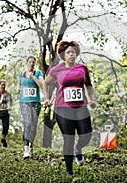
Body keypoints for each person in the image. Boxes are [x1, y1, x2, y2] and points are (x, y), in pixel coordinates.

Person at [43, 41, 96, 176]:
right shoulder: (57, 70)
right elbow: (45, 83)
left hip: (81, 107)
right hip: (63, 108)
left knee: (86, 134)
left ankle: (78, 149)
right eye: (68, 52)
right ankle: (69, 170)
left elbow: (88, 86)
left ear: (76, 54)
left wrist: (91, 99)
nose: (71, 55)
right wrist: (46, 98)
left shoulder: (82, 68)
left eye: (73, 52)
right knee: (69, 137)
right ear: (63, 55)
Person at [17, 56, 44, 159]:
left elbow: (42, 85)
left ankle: (30, 146)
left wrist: (33, 77)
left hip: (36, 102)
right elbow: (18, 85)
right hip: (24, 102)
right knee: (27, 123)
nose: (32, 64)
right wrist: (18, 89)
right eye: (30, 62)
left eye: (33, 62)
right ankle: (26, 150)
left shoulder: (38, 73)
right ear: (27, 63)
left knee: (33, 126)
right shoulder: (21, 74)